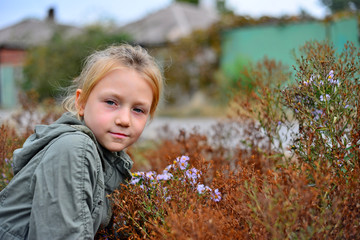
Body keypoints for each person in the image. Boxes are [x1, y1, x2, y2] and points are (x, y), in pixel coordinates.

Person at [0, 44, 164, 239]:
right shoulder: (74, 149)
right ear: (81, 103)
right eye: (111, 102)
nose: (124, 120)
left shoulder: (108, 157)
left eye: (138, 110)